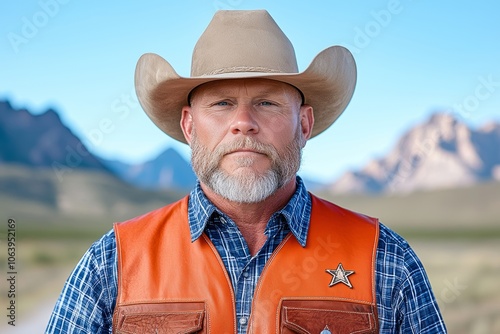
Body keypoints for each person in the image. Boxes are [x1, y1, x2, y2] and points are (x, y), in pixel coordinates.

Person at [46, 9, 446, 334]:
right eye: (221, 103)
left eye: (268, 103)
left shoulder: (386, 260)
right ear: (188, 126)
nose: (242, 122)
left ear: (304, 125)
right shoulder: (113, 261)